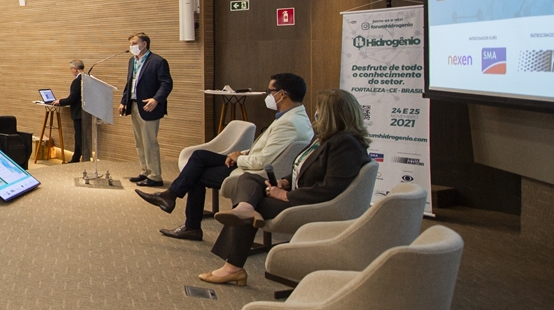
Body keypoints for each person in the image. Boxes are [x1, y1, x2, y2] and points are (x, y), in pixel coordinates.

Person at [200, 89, 373, 286]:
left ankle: (232, 267)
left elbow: (330, 189)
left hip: (314, 203)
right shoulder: (327, 138)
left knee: (256, 206)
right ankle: (244, 207)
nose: (315, 113)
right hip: (299, 193)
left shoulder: (346, 145)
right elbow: (306, 168)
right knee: (248, 179)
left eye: (318, 109)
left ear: (330, 114)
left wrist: (285, 195)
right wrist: (285, 181)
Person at [140, 73, 314, 240]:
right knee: (199, 157)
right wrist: (240, 153)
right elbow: (269, 150)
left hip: (255, 174)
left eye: (270, 91)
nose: (268, 95)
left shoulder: (288, 124)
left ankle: (187, 220)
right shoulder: (296, 117)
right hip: (251, 163)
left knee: (195, 174)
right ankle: (171, 198)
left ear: (282, 94)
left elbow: (263, 160)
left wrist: (239, 158)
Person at [118, 33, 171, 187]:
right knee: (139, 142)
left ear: (144, 44)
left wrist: (156, 99)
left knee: (150, 142)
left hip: (149, 106)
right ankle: (145, 171)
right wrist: (124, 101)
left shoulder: (158, 61)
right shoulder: (132, 61)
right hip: (134, 105)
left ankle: (155, 176)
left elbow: (166, 83)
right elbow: (130, 83)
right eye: (130, 44)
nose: (131, 46)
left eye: (134, 43)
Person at [53, 61, 89, 163]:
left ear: (75, 69)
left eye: (71, 69)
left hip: (79, 113)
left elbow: (72, 98)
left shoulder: (77, 81)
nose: (71, 71)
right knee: (79, 136)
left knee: (80, 138)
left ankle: (86, 159)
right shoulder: (88, 78)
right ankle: (75, 158)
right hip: (87, 112)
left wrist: (60, 101)